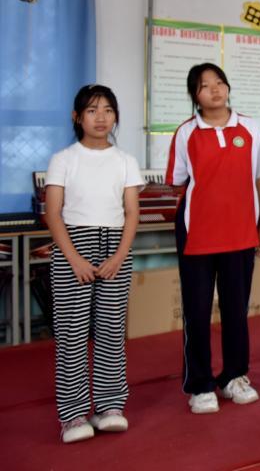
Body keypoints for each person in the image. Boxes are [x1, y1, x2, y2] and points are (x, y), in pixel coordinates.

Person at [167, 63, 260, 414]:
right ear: (194, 96)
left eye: (219, 82)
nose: (214, 89)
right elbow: (180, 181)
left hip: (241, 232)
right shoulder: (186, 133)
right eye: (204, 85)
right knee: (196, 312)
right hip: (197, 234)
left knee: (236, 312)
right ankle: (199, 384)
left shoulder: (250, 128)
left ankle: (234, 376)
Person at [45, 85, 143, 443]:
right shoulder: (64, 158)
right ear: (77, 117)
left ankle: (109, 406)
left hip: (115, 245)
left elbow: (132, 213)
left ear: (115, 116)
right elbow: (52, 213)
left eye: (107, 110)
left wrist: (118, 256)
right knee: (71, 334)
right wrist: (73, 259)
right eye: (91, 110)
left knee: (111, 332)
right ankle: (71, 415)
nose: (100, 117)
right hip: (74, 243)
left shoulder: (125, 161)